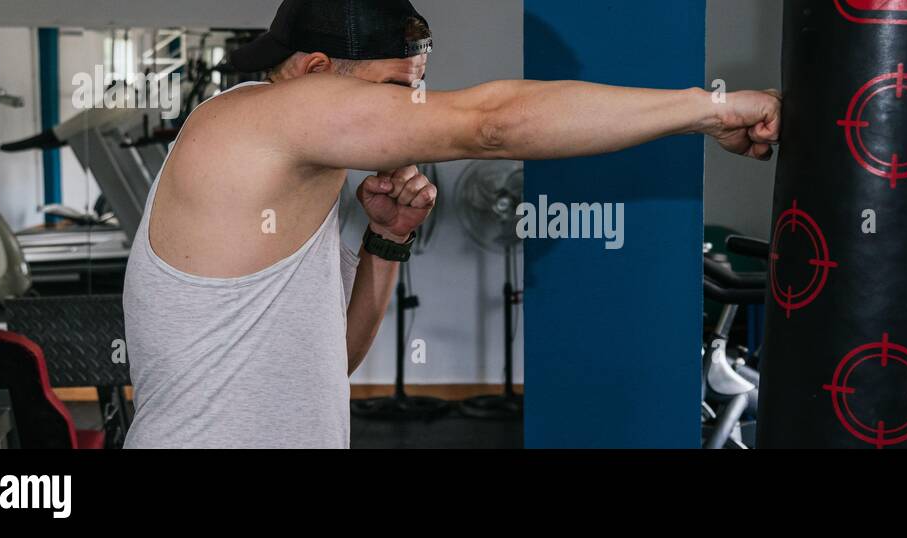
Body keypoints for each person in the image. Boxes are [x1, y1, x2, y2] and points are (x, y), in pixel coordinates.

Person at [122, 0, 781, 448]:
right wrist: (707, 108)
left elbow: (334, 360)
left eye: (417, 89)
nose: (409, 114)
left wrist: (387, 242)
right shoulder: (253, 118)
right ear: (313, 72)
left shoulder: (299, 169)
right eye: (392, 91)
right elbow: (490, 125)